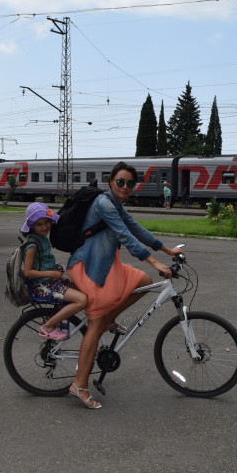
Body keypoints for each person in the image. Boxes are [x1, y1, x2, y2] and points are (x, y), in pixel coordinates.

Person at [66, 162, 180, 409]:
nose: (125, 187)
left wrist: (166, 248)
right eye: (121, 181)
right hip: (89, 266)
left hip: (106, 264)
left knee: (144, 282)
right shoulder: (104, 203)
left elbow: (136, 228)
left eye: (130, 183)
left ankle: (109, 319)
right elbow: (124, 235)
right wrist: (154, 261)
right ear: (111, 181)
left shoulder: (116, 204)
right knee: (95, 325)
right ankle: (79, 384)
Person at [20, 202, 88, 340]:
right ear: (32, 226)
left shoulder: (41, 238)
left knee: (85, 288)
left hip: (49, 282)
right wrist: (51, 273)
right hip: (42, 286)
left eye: (47, 222)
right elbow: (28, 272)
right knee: (82, 300)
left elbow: (39, 263)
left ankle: (51, 316)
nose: (45, 227)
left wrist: (51, 267)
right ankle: (49, 326)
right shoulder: (32, 244)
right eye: (39, 224)